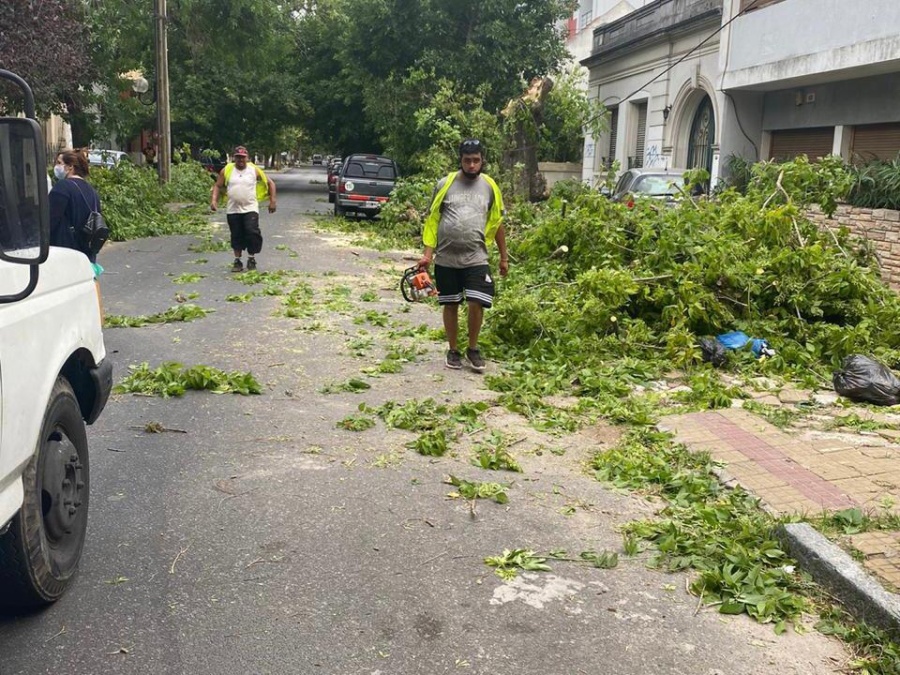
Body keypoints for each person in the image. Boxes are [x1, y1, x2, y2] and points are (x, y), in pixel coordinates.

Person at [418, 138, 509, 372]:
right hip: (446, 258)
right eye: (467, 160)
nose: (471, 165)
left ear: (482, 160)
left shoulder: (490, 186)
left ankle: (473, 348)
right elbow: (433, 220)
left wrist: (503, 257)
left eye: (476, 160)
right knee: (451, 304)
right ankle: (453, 349)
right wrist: (427, 255)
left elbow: (497, 222)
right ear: (460, 160)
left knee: (477, 302)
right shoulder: (445, 184)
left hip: (476, 257)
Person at [49, 148, 105, 317]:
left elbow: (49, 221)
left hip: (65, 249)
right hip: (87, 250)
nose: (56, 167)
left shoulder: (63, 188)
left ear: (70, 167)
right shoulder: (91, 191)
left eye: (59, 163)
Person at [210, 145, 277, 272]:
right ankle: (237, 261)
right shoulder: (227, 170)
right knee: (236, 234)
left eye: (243, 157)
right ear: (234, 158)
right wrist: (214, 201)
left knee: (252, 232)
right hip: (233, 209)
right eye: (238, 157)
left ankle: (251, 258)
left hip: (250, 208)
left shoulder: (254, 170)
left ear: (247, 158)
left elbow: (270, 183)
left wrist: (272, 201)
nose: (240, 160)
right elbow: (218, 185)